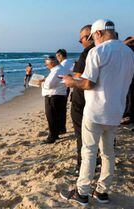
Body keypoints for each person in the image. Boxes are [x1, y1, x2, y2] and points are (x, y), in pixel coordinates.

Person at [60, 19, 134, 206]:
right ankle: (102, 191)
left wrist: (70, 82)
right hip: (116, 110)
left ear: (98, 33)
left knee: (89, 152)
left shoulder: (97, 51)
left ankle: (82, 193)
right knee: (108, 153)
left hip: (95, 111)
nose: (93, 40)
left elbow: (87, 83)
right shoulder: (129, 53)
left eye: (93, 37)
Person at [70, 25, 96, 175]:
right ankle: (96, 161)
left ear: (88, 37)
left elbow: (79, 78)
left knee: (81, 133)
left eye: (81, 40)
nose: (81, 43)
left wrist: (70, 80)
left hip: (83, 98)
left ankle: (81, 165)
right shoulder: (106, 52)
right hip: (101, 100)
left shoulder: (87, 54)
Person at [38, 56, 67, 144]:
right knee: (57, 116)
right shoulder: (61, 68)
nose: (46, 66)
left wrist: (42, 83)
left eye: (47, 64)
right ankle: (56, 134)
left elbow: (49, 85)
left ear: (53, 63)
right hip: (60, 95)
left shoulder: (56, 70)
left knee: (51, 117)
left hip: (53, 96)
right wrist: (45, 80)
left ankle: (52, 137)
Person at [55, 49, 73, 134]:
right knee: (62, 108)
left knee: (60, 109)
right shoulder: (70, 62)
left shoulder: (64, 64)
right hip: (66, 87)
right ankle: (62, 127)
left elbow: (60, 76)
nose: (57, 59)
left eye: (57, 57)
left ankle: (61, 128)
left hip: (63, 88)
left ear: (60, 56)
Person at [121, 36, 134, 125]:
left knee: (129, 96)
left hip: (129, 76)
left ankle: (128, 115)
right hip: (129, 75)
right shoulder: (128, 50)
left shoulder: (127, 49)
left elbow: (120, 45)